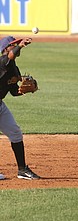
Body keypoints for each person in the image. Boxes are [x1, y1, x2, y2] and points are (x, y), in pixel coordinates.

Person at [0, 35, 40, 180]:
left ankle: (22, 170)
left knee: (16, 134)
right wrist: (21, 45)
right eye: (14, 44)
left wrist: (23, 91)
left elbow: (13, 91)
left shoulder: (14, 69)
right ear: (6, 48)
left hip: (0, 105)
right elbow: (10, 56)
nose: (16, 46)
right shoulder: (2, 62)